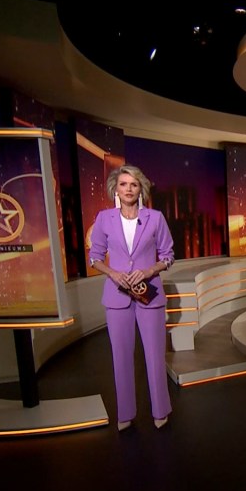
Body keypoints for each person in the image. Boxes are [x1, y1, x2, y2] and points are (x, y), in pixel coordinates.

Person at [88, 165, 175, 431]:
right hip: (117, 296)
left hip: (149, 295)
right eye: (123, 184)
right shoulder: (104, 218)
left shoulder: (155, 218)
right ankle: (125, 413)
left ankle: (160, 410)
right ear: (116, 188)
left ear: (141, 189)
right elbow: (95, 257)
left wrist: (148, 271)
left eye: (134, 184)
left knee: (154, 356)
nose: (128, 189)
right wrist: (113, 273)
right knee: (121, 357)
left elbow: (168, 256)